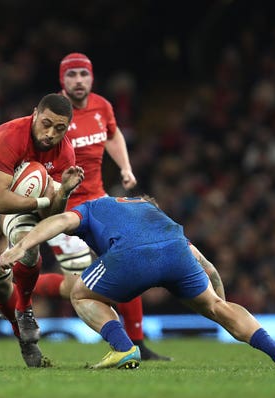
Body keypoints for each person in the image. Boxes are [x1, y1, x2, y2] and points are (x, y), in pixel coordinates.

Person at [0, 195, 275, 369]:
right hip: (176, 253)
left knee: (81, 293)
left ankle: (123, 348)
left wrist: (22, 246)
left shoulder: (96, 207)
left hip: (130, 257)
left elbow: (61, 221)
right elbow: (209, 268)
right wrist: (217, 303)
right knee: (217, 306)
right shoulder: (153, 211)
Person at [35, 53, 169, 360]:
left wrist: (125, 167)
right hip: (63, 208)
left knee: (129, 262)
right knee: (84, 286)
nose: (78, 80)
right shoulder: (53, 113)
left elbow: (112, 134)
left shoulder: (102, 106)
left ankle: (137, 343)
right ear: (62, 79)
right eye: (72, 75)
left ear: (91, 77)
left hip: (98, 199)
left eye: (83, 74)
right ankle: (19, 284)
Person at [0, 93, 84, 367]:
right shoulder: (11, 136)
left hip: (20, 199)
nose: (51, 133)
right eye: (46, 123)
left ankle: (25, 308)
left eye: (59, 129)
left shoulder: (65, 153)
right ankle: (23, 339)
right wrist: (44, 199)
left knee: (25, 242)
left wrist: (63, 194)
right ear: (35, 114)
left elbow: (52, 216)